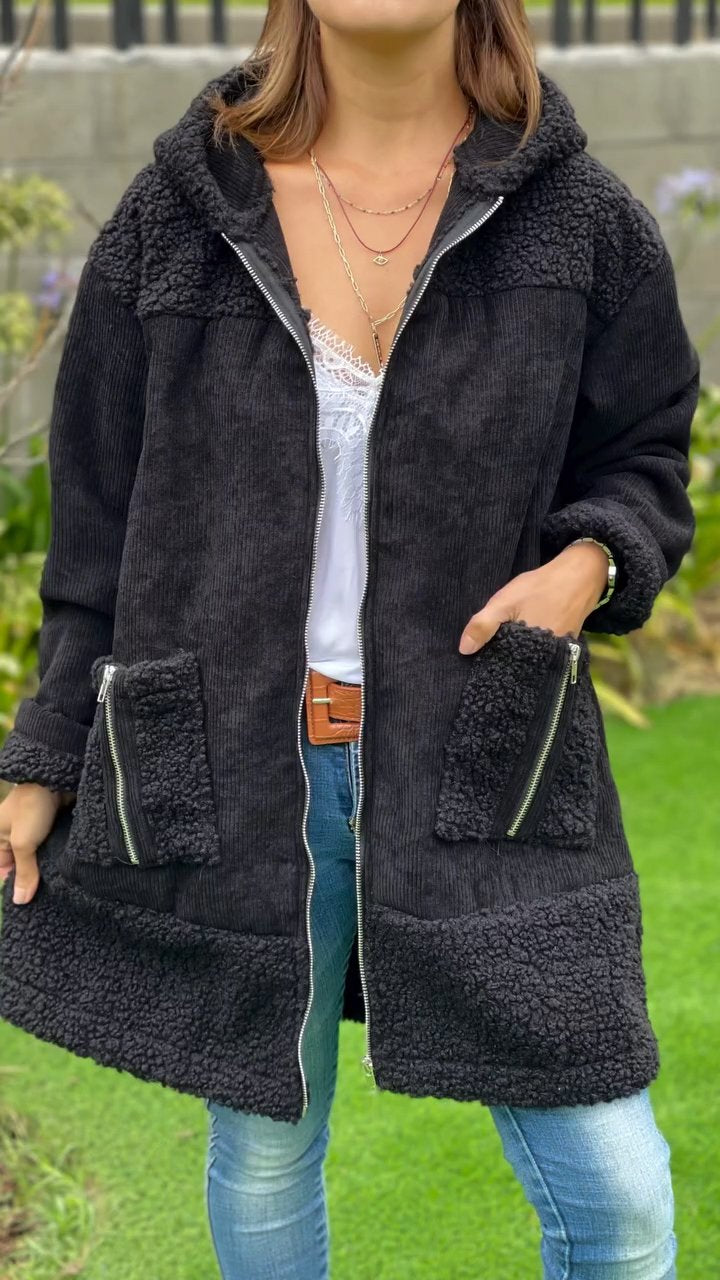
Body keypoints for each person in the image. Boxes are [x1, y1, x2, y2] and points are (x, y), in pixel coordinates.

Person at [0, 2, 699, 1277]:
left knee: (620, 1195)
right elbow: (93, 529)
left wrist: (586, 565)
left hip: (486, 761)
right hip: (232, 766)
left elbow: (646, 462)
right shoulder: (177, 219)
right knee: (267, 1149)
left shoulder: (580, 223)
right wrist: (45, 751)